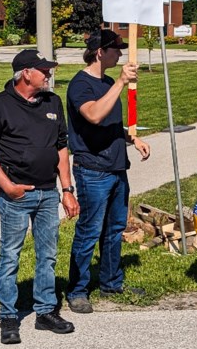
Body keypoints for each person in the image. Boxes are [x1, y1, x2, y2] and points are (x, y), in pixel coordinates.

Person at [0, 48, 80, 344]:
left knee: (47, 255)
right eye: (43, 70)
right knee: (10, 255)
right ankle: (8, 316)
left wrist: (67, 190)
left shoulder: (52, 102)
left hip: (48, 193)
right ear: (26, 74)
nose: (48, 74)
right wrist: (8, 187)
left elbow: (62, 146)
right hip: (16, 196)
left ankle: (46, 312)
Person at [64, 30, 151, 315]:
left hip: (116, 167)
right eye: (116, 50)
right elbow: (93, 115)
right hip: (92, 170)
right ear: (100, 52)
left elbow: (110, 123)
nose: (121, 55)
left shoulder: (108, 82)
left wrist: (131, 138)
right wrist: (123, 83)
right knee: (89, 231)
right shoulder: (80, 85)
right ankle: (77, 290)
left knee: (114, 230)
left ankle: (111, 283)